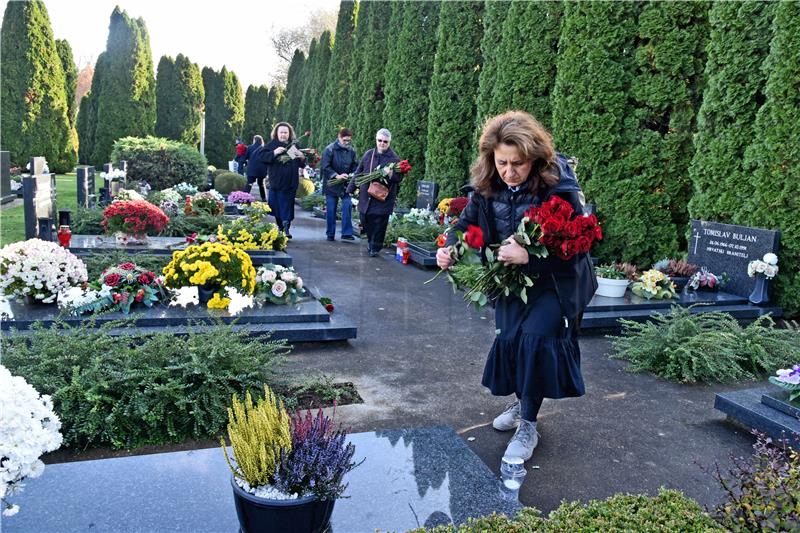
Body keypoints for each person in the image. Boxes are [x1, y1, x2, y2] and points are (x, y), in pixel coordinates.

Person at [436, 111, 597, 461]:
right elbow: (468, 227)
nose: (509, 172)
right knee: (510, 341)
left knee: (535, 342)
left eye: (518, 164)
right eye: (502, 163)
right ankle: (523, 401)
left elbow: (578, 245)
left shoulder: (558, 186)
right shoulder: (487, 186)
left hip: (555, 282)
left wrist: (531, 257)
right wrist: (451, 246)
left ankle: (528, 425)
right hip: (511, 282)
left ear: (535, 158)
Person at [346, 128, 402, 257]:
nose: (382, 143)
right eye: (380, 140)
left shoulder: (394, 159)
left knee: (379, 223)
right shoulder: (369, 154)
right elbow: (358, 173)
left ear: (389, 142)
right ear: (376, 140)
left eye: (385, 141)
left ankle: (375, 247)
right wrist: (351, 188)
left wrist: (391, 173)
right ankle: (371, 240)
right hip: (367, 195)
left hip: (384, 197)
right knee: (364, 219)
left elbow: (399, 179)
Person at [262, 122, 305, 238]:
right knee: (276, 206)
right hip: (276, 182)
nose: (283, 135)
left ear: (289, 133)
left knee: (287, 206)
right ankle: (280, 226)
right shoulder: (272, 145)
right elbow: (263, 158)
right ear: (276, 133)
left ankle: (286, 227)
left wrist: (301, 156)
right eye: (281, 132)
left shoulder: (293, 146)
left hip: (290, 183)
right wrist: (274, 152)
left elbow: (301, 164)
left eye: (286, 132)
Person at [321, 128, 358, 241]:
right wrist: (336, 175)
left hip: (345, 184)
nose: (346, 143)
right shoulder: (330, 149)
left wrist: (353, 173)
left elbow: (355, 165)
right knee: (331, 209)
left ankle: (346, 233)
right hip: (332, 184)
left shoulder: (351, 151)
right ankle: (330, 234)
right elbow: (325, 166)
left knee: (347, 206)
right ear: (339, 137)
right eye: (344, 140)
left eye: (348, 141)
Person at [242, 135, 266, 200]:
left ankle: (244, 198)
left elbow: (245, 157)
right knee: (261, 184)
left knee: (249, 183)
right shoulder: (264, 148)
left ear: (254, 140)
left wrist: (246, 162)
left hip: (252, 168)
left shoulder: (250, 147)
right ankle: (263, 198)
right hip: (261, 169)